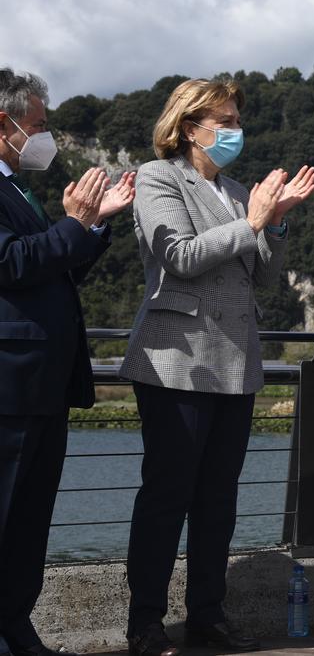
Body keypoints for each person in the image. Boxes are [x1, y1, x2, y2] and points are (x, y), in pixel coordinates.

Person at [120, 78, 314, 656]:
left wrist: (275, 223)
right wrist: (252, 223)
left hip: (235, 362)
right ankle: (146, 621)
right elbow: (178, 257)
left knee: (219, 499)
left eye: (236, 119)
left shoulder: (235, 189)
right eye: (223, 121)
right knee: (166, 493)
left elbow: (262, 275)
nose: (234, 130)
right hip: (174, 360)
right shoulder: (158, 178)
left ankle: (208, 612)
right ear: (188, 128)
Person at [0, 68, 133, 656]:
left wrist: (94, 224)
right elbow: (12, 263)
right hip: (8, 384)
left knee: (29, 522)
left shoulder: (17, 189)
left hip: (43, 384)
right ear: (2, 123)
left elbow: (55, 268)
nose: (42, 137)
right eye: (36, 126)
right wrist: (74, 224)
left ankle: (15, 623)